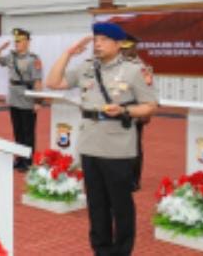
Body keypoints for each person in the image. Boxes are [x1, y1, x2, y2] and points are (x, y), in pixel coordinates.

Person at [46, 22, 157, 256]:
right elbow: (53, 82)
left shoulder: (134, 70)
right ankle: (101, 250)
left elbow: (150, 106)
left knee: (121, 205)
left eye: (104, 40)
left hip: (117, 146)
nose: (97, 44)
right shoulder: (86, 67)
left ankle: (122, 251)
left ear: (118, 44)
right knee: (96, 204)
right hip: (90, 144)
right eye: (96, 39)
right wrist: (68, 54)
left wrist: (125, 110)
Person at [0, 28, 42, 171]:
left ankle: (28, 161)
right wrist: (0, 49)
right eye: (16, 41)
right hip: (13, 98)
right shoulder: (10, 57)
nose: (17, 43)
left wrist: (38, 101)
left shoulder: (33, 59)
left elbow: (38, 81)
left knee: (28, 132)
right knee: (17, 131)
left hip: (27, 98)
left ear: (27, 42)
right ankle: (19, 158)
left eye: (20, 41)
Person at [119, 33, 154, 190]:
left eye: (128, 48)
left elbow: (148, 90)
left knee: (133, 146)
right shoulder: (115, 64)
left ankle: (133, 180)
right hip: (116, 110)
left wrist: (146, 114)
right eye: (123, 48)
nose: (125, 51)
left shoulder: (141, 67)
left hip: (135, 111)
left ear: (134, 48)